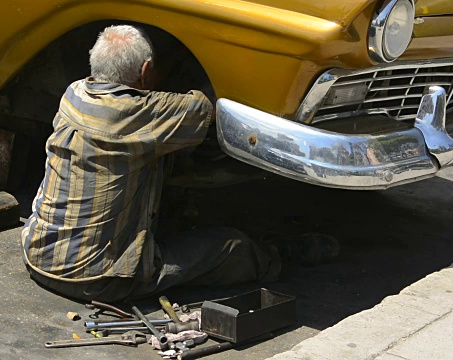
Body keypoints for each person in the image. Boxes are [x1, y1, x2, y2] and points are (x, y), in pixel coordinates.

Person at [20, 25, 286, 302]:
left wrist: (176, 55)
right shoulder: (144, 112)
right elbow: (215, 103)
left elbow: (146, 90)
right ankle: (281, 257)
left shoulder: (73, 93)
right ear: (146, 71)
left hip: (37, 255)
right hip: (96, 279)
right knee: (234, 246)